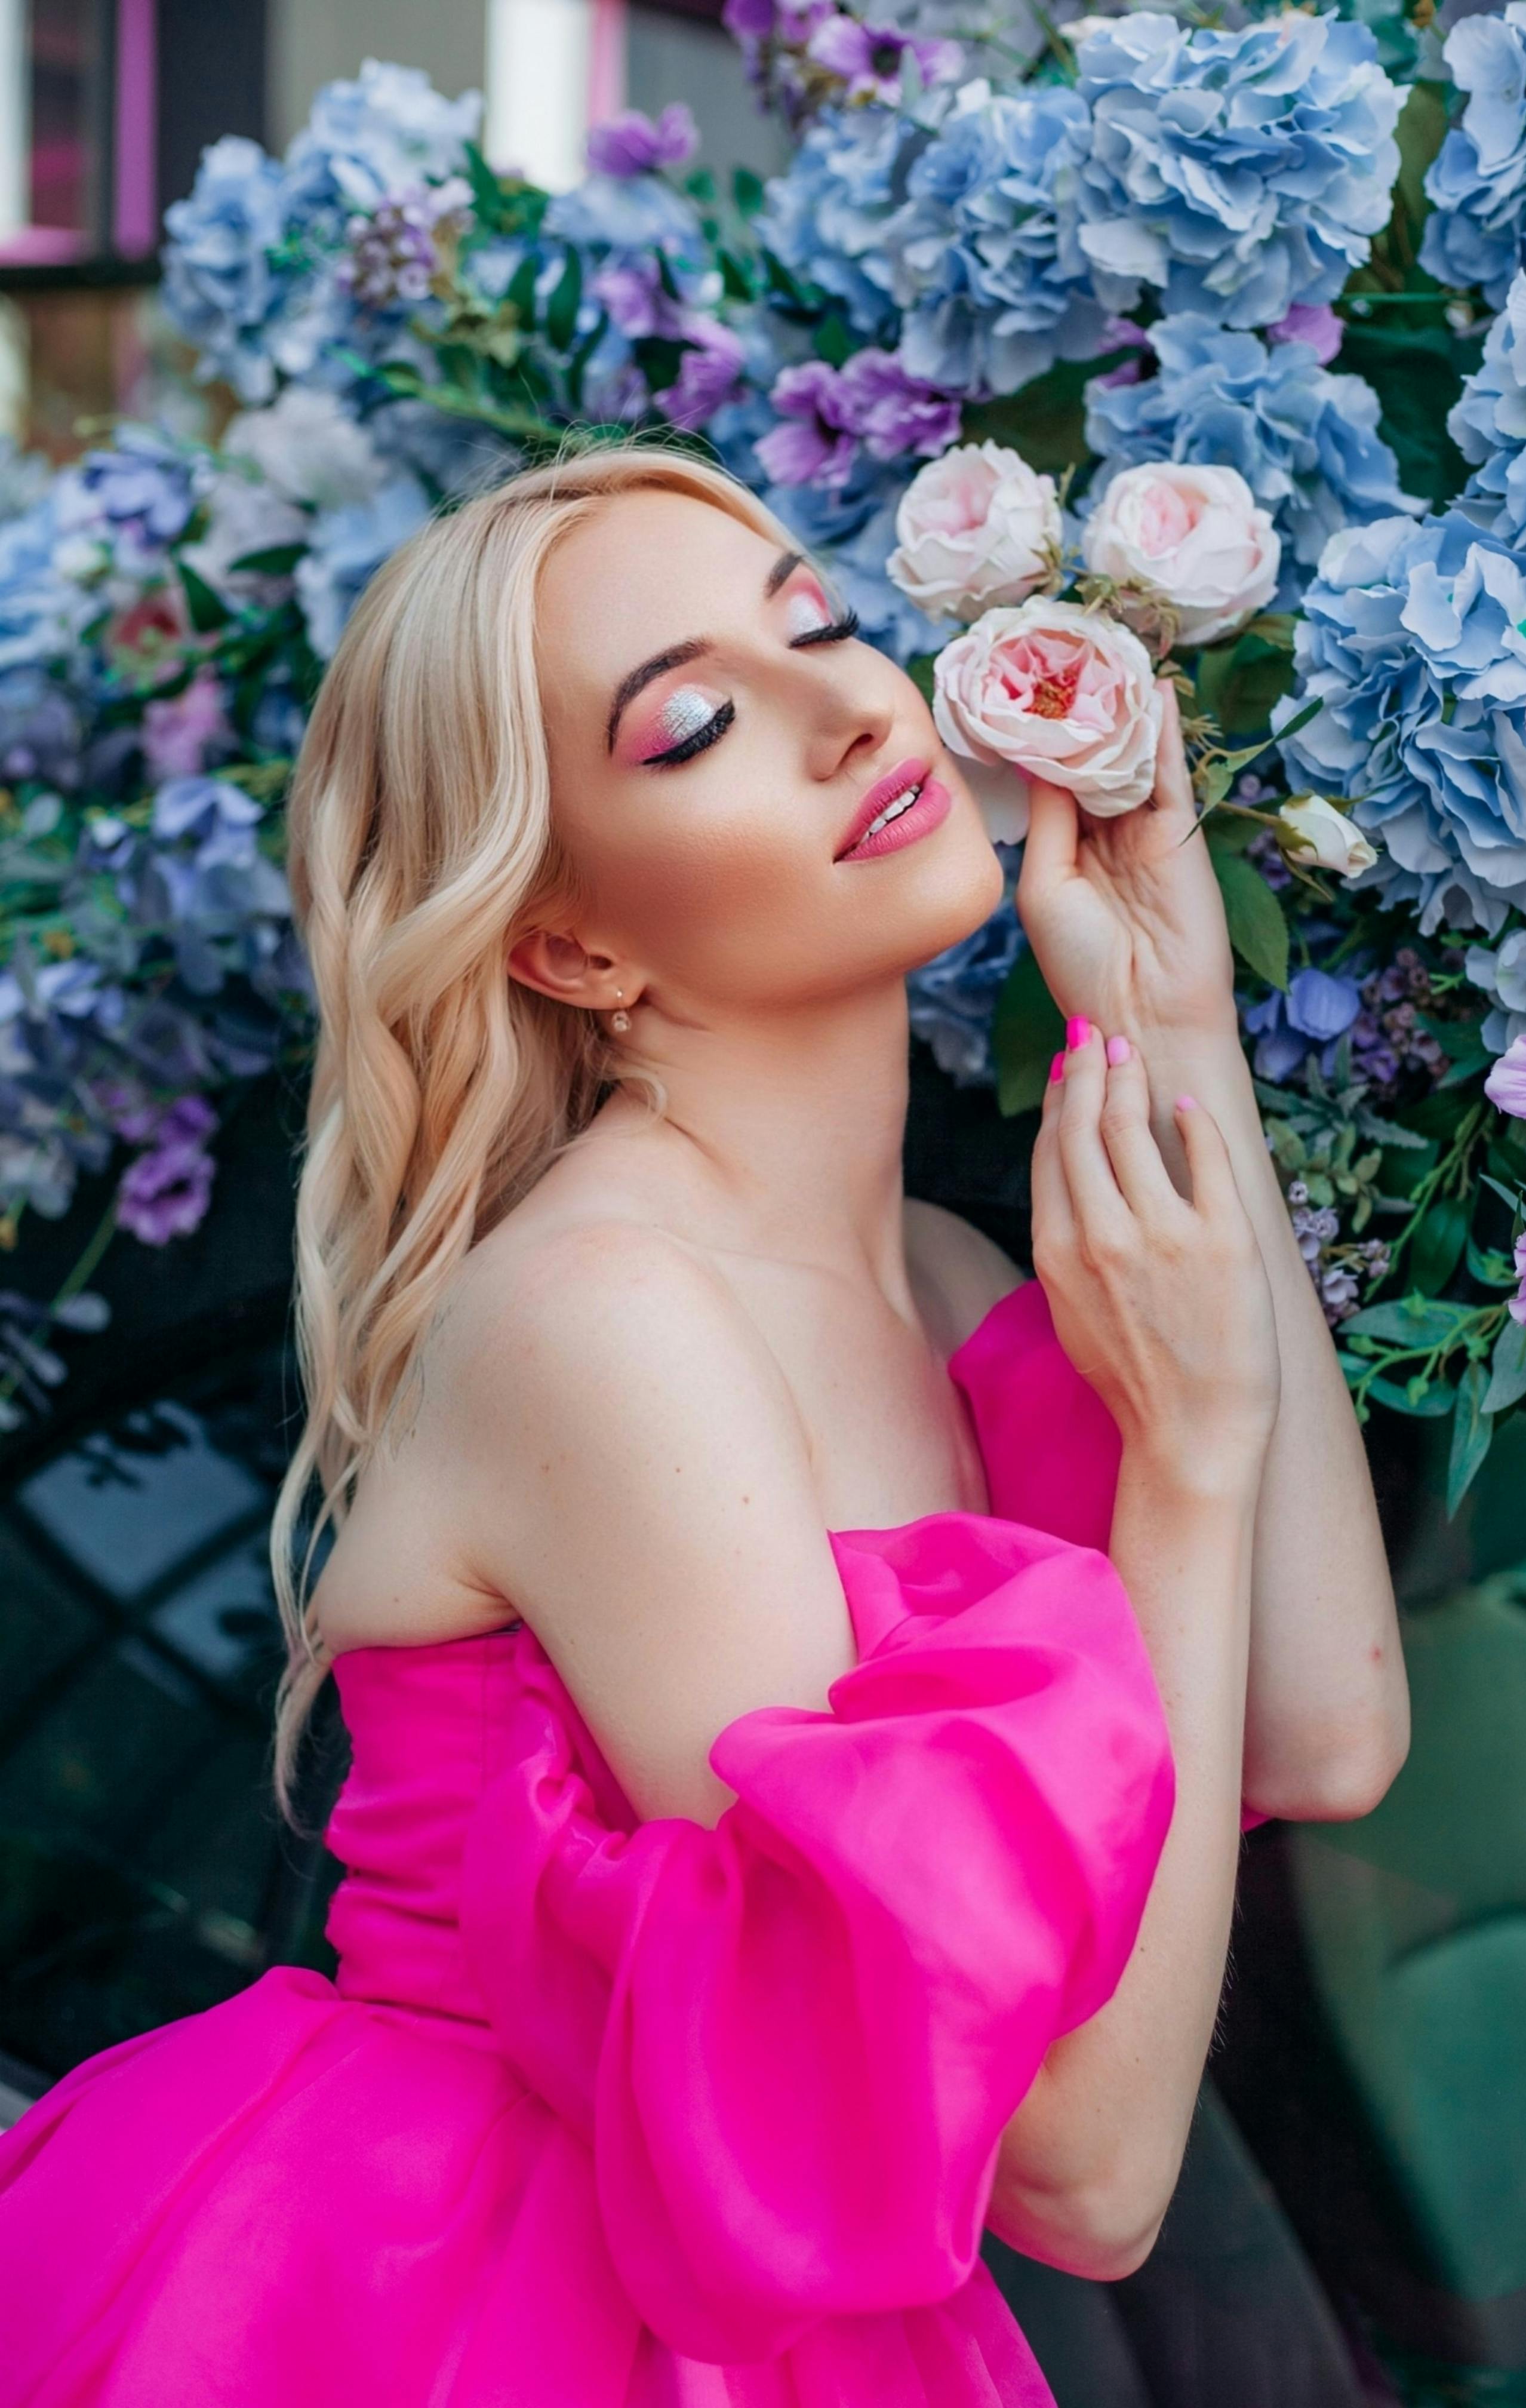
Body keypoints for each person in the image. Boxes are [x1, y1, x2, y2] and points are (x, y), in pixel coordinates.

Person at [0, 444, 1407, 2407]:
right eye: (695, 723)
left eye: (823, 622)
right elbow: (1081, 2172)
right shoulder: (604, 1324)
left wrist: (1173, 1021)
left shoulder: (940, 1281)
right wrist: (1185, 1454)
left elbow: (1318, 1723)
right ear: (573, 947)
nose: (850, 709)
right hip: (440, 2305)